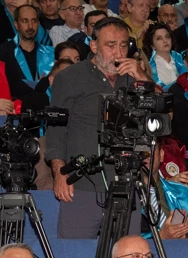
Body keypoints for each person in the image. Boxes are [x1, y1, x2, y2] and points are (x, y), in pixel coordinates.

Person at [46, 19, 143, 237]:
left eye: (123, 45)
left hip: (125, 182)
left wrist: (143, 77)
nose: (118, 52)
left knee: (128, 256)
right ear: (94, 46)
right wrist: (59, 173)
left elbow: (161, 116)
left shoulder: (134, 78)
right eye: (110, 45)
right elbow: (56, 129)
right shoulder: (70, 77)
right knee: (74, 255)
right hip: (81, 183)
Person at [0, 4, 54, 109]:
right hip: (16, 111)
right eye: (25, 21)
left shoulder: (49, 53)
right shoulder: (3, 51)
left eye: (34, 21)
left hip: (46, 111)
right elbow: (4, 86)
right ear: (16, 24)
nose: (30, 26)